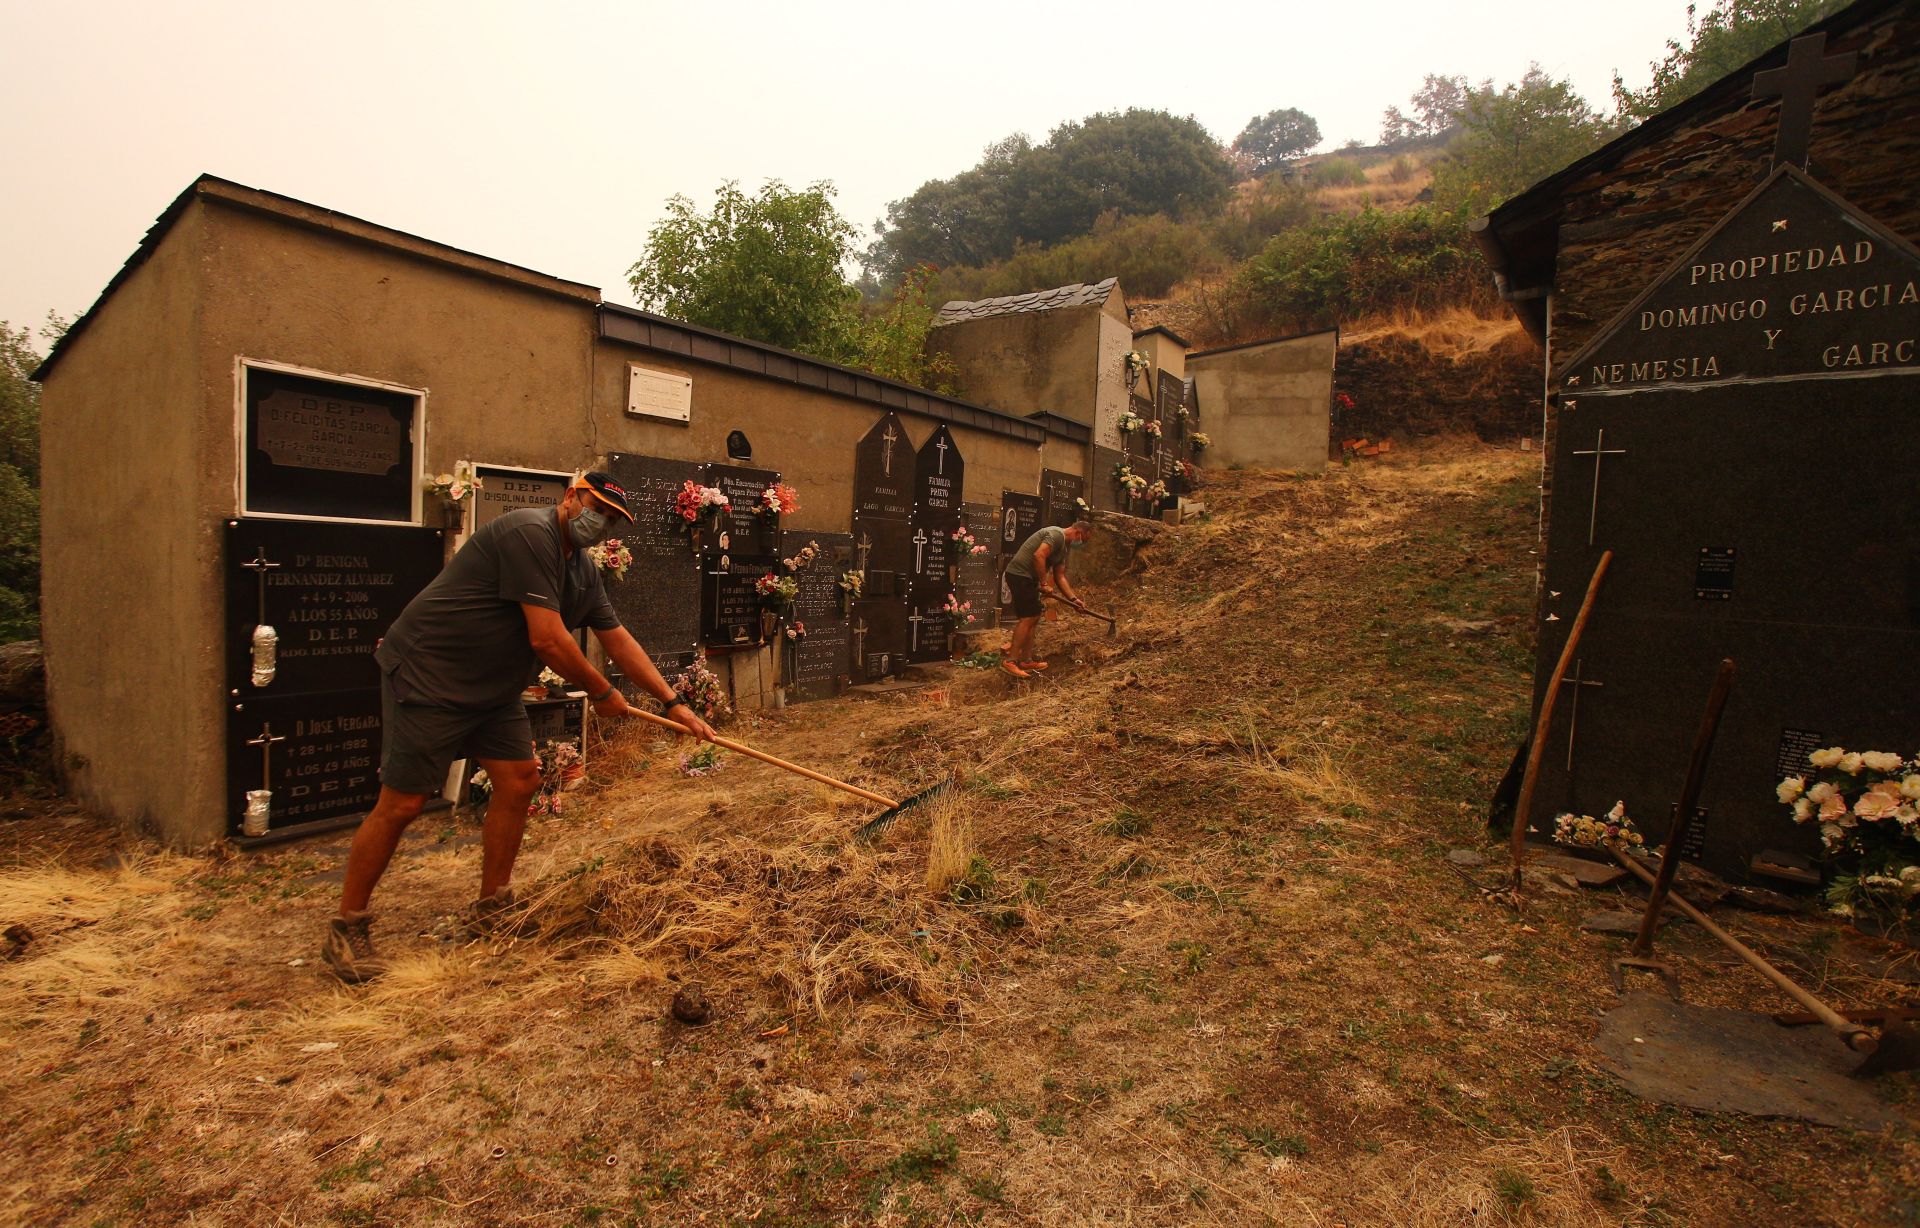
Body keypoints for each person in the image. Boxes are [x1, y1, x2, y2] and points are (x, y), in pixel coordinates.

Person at [322, 471, 713, 983]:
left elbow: (616, 637)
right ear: (571, 497)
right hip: (431, 674)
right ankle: (347, 926)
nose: (604, 522)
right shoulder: (530, 533)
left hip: (491, 688)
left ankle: (493, 906)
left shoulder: (583, 571)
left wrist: (671, 703)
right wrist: (602, 693)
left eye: (614, 519)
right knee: (404, 802)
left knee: (520, 780)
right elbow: (548, 640)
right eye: (599, 508)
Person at [999, 519, 1093, 679]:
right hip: (1019, 575)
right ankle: (1011, 661)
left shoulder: (1064, 548)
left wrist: (1073, 599)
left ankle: (1026, 661)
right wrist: (1043, 583)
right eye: (1083, 540)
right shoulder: (1056, 535)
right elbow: (1039, 555)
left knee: (1034, 616)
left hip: (1029, 579)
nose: (1081, 544)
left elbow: (1060, 576)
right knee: (1028, 617)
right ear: (1078, 533)